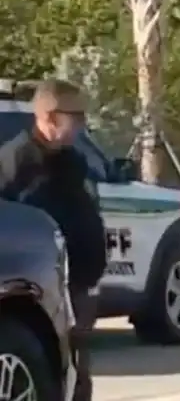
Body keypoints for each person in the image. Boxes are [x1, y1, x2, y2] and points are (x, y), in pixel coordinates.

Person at [0, 78, 107, 401]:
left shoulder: (72, 161)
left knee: (79, 374)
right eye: (75, 116)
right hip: (41, 284)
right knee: (51, 372)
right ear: (48, 116)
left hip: (79, 280)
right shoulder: (15, 162)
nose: (81, 124)